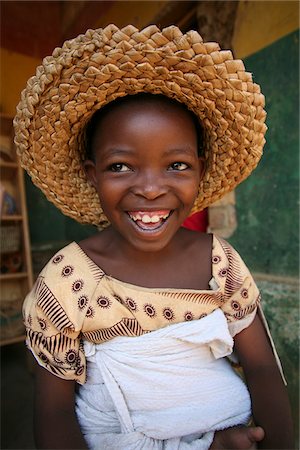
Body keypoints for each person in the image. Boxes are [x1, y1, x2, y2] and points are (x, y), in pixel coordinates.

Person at [14, 24, 294, 449]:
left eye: (176, 165)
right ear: (93, 176)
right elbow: (54, 412)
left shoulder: (220, 263)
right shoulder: (67, 281)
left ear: (200, 170)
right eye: (121, 166)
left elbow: (261, 367)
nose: (149, 188)